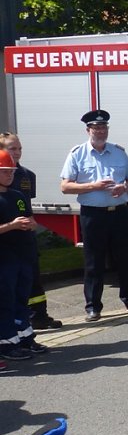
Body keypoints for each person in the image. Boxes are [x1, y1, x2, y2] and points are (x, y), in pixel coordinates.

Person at [60, 110, 128, 322]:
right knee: (94, 262)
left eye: (104, 127)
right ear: (88, 130)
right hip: (93, 215)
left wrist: (123, 188)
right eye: (96, 128)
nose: (100, 131)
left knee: (125, 258)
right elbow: (65, 186)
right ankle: (93, 306)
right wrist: (93, 186)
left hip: (118, 212)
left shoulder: (119, 152)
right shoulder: (77, 154)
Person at [0, 132, 62, 330]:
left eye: (19, 148)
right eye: (12, 148)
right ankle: (13, 331)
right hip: (6, 243)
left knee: (32, 279)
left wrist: (31, 222)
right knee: (10, 288)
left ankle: (38, 316)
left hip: (25, 238)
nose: (17, 153)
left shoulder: (27, 175)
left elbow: (26, 204)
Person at [0, 149, 45, 364]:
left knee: (22, 299)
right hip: (4, 258)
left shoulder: (17, 195)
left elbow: (29, 217)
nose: (10, 175)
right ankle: (7, 344)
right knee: (6, 300)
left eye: (11, 172)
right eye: (5, 172)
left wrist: (31, 224)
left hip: (23, 255)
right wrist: (12, 226)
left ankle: (25, 337)